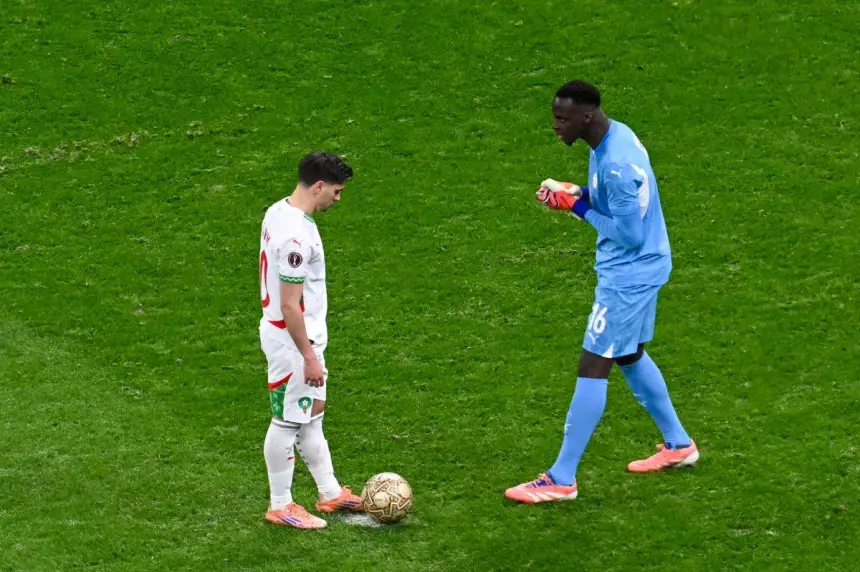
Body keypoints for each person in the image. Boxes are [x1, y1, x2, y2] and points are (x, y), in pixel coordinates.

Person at [506, 81, 699, 504]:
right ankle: (679, 444)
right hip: (644, 265)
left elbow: (629, 235)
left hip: (629, 275)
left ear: (587, 116)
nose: (556, 126)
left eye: (562, 118)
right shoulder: (612, 138)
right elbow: (614, 200)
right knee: (628, 354)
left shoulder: (616, 163)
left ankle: (561, 478)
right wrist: (577, 192)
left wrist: (575, 207)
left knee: (593, 363)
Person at [258, 151, 362, 527]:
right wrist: (308, 356)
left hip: (297, 338)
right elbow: (290, 304)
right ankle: (280, 505)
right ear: (319, 186)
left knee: (312, 415)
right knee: (286, 420)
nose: (338, 198)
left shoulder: (279, 211)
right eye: (336, 191)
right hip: (293, 343)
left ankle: (330, 492)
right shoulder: (295, 238)